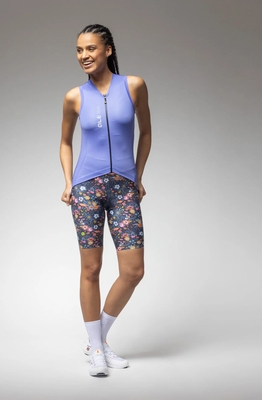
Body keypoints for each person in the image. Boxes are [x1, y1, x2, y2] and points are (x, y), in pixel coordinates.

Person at [60, 24, 151, 377]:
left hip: (124, 187)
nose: (84, 55)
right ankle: (97, 348)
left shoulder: (134, 86)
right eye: (79, 50)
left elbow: (146, 132)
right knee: (91, 269)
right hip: (86, 188)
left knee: (133, 271)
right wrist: (68, 182)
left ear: (108, 50)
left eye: (91, 48)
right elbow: (65, 142)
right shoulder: (74, 97)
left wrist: (138, 177)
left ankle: (97, 339)